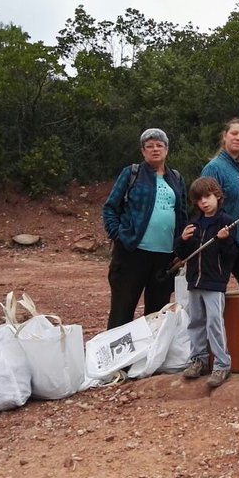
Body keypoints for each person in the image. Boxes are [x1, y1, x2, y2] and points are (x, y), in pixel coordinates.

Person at [101, 128, 187, 329]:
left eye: (159, 145)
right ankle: (119, 360)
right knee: (123, 310)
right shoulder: (132, 173)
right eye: (150, 146)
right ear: (143, 151)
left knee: (157, 315)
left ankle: (151, 357)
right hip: (133, 253)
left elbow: (181, 214)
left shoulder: (175, 177)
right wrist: (119, 235)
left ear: (166, 149)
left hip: (164, 257)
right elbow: (110, 208)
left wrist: (180, 248)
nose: (155, 149)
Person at [176, 177, 237, 388]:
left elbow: (231, 254)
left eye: (208, 196)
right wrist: (183, 240)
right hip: (194, 282)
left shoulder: (226, 222)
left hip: (214, 282)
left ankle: (222, 364)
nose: (204, 202)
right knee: (196, 322)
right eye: (199, 199)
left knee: (214, 323)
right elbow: (183, 254)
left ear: (217, 196)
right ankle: (198, 360)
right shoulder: (193, 224)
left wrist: (225, 239)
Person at [200, 118, 239, 290]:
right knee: (216, 291)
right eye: (234, 133)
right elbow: (203, 205)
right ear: (225, 136)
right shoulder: (214, 168)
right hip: (222, 242)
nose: (238, 137)